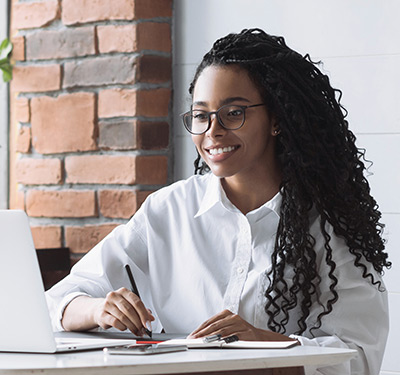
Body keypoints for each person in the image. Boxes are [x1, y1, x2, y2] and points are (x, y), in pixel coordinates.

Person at [46, 28, 391, 374]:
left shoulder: (328, 225)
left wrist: (263, 345)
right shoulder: (168, 210)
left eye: (233, 112)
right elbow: (53, 303)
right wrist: (98, 309)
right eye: (200, 115)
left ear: (276, 119)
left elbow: (358, 356)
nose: (213, 130)